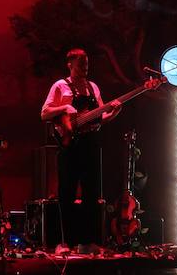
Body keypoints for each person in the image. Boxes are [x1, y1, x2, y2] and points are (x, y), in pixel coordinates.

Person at [40, 48, 120, 253]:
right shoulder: (60, 86)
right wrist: (64, 108)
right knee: (66, 193)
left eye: (86, 63)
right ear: (70, 64)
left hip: (90, 144)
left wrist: (114, 113)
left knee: (92, 194)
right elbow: (45, 113)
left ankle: (86, 242)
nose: (85, 67)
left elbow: (100, 117)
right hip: (69, 145)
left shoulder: (93, 87)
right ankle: (63, 242)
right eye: (81, 63)